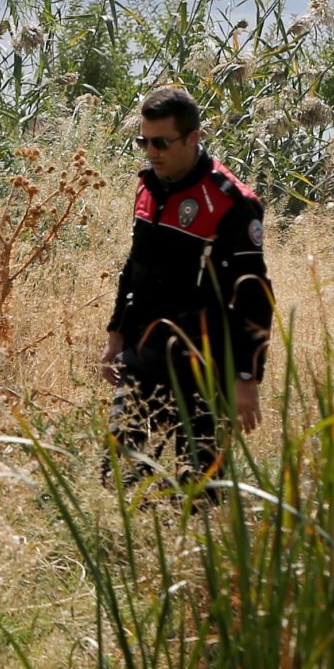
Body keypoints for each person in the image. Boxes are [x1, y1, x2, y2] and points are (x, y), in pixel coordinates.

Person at [101, 85, 274, 486]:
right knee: (118, 481)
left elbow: (253, 296)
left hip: (205, 369)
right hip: (144, 357)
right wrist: (115, 336)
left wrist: (247, 379)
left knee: (198, 492)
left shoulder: (230, 202)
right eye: (143, 140)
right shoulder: (147, 186)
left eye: (161, 142)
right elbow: (134, 269)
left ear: (193, 137)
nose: (151, 151)